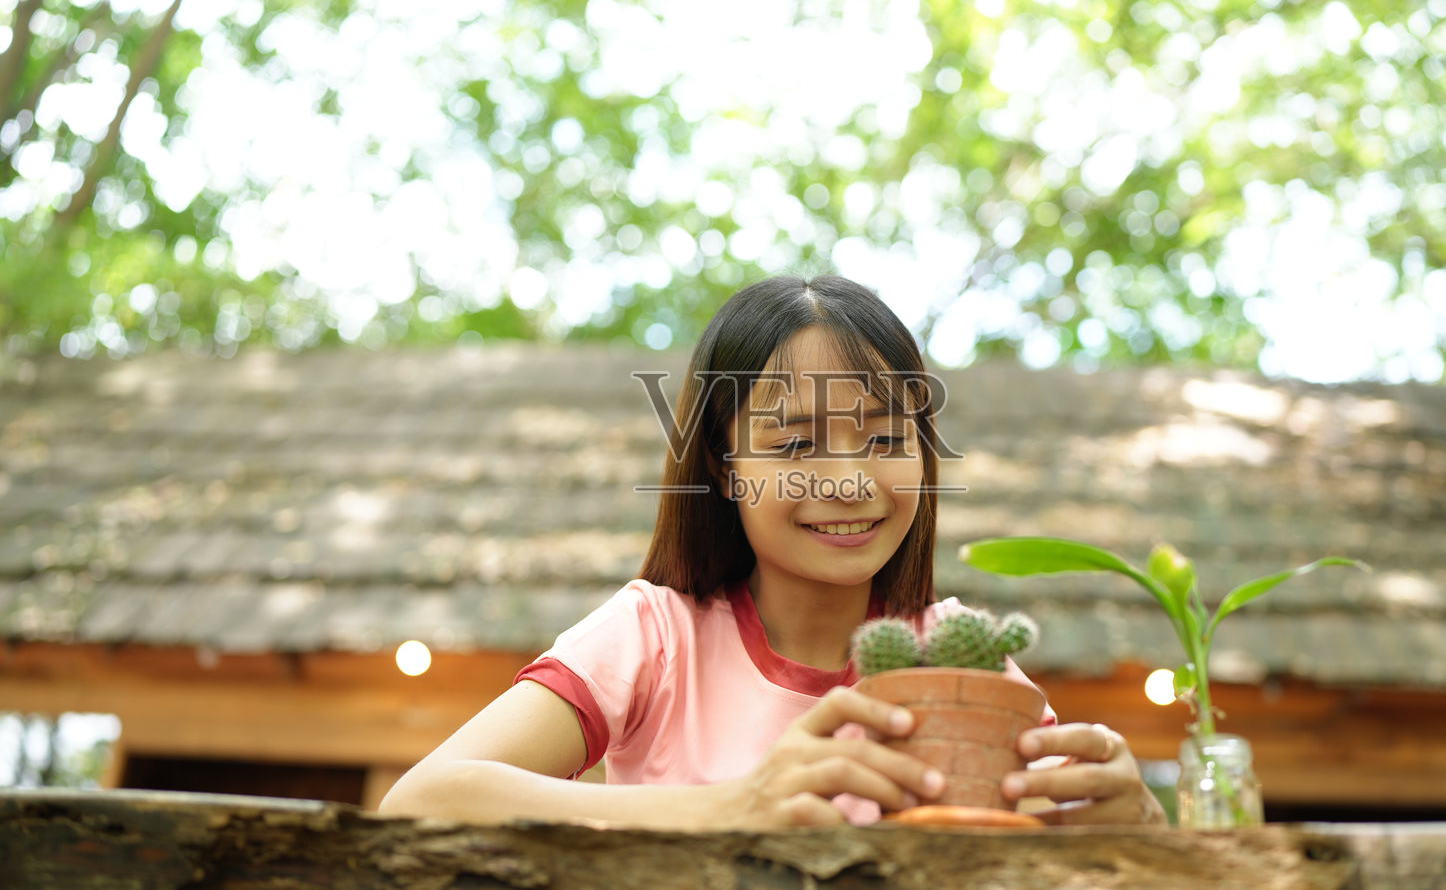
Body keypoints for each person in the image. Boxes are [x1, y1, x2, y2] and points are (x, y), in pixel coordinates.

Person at [378, 275, 1166, 828]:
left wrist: (1133, 823)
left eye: (888, 438)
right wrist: (731, 808)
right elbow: (420, 802)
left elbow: (1059, 834)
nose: (852, 483)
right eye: (796, 444)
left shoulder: (962, 655)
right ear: (724, 470)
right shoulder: (655, 637)